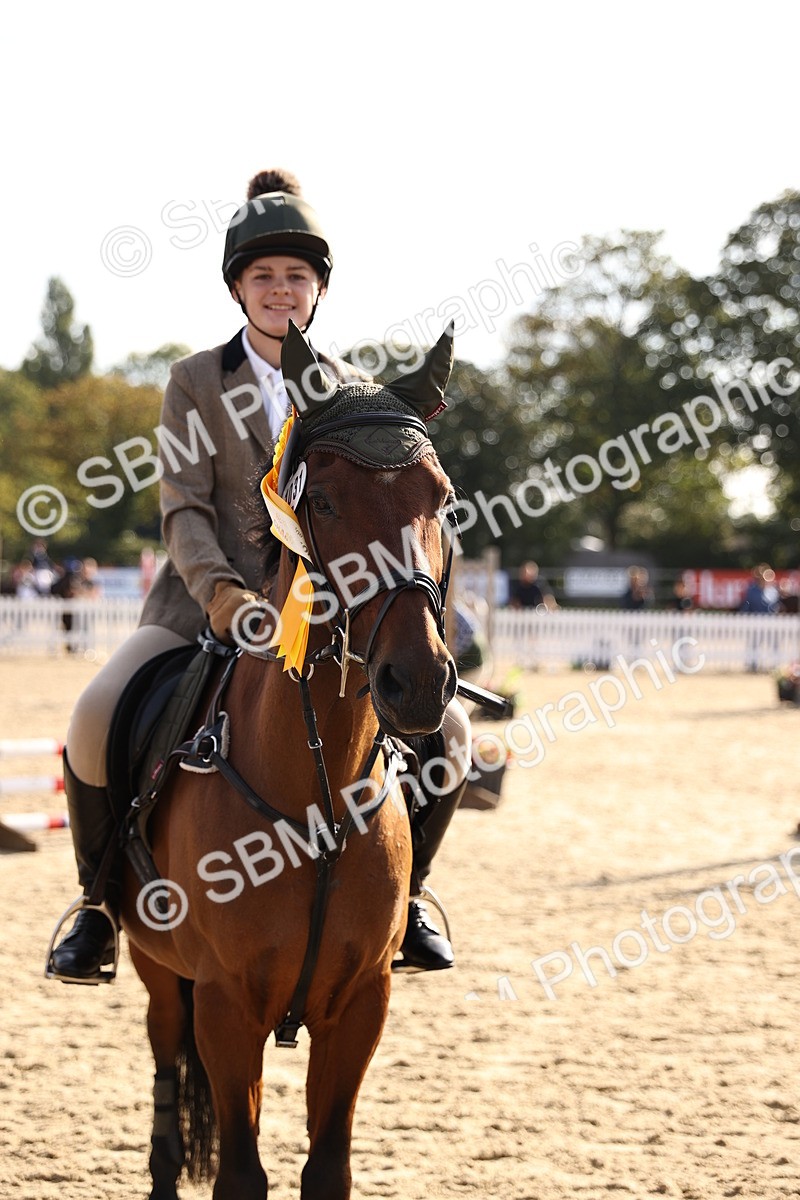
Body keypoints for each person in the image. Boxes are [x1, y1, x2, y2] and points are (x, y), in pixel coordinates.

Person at [49, 168, 470, 982]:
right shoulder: (195, 381)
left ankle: (410, 896)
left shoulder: (353, 392)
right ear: (237, 289)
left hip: (331, 618)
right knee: (96, 715)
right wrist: (226, 598)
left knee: (447, 733)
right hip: (203, 607)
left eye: (297, 276)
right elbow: (183, 510)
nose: (282, 290)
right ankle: (98, 905)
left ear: (320, 290)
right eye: (264, 276)